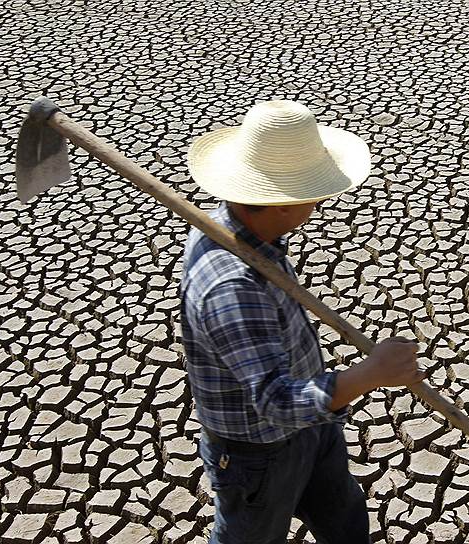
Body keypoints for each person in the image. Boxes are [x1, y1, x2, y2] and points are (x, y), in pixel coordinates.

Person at [180, 100, 424, 544]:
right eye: (313, 194)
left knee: (344, 519)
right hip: (260, 450)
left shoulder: (248, 232)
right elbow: (274, 400)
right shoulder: (233, 289)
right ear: (281, 206)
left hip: (313, 425)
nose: (320, 201)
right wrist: (372, 374)